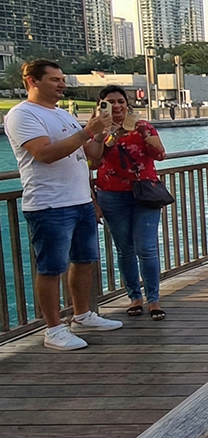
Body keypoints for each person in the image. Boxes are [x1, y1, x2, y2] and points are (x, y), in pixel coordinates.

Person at [4, 60, 122, 350]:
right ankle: (53, 329)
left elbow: (90, 154)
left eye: (62, 79)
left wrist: (102, 134)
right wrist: (87, 131)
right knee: (51, 267)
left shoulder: (62, 114)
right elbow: (44, 154)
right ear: (32, 81)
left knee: (85, 261)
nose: (62, 84)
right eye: (54, 79)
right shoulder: (22, 114)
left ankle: (82, 315)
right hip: (49, 204)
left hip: (80, 200)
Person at [92, 85, 167, 320]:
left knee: (147, 248)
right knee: (125, 249)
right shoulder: (97, 131)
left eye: (121, 101)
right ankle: (134, 297)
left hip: (145, 193)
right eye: (110, 102)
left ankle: (153, 299)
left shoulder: (143, 126)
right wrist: (107, 136)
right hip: (111, 195)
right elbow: (93, 161)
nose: (116, 106)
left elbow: (160, 154)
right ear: (101, 106)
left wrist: (143, 133)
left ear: (127, 104)